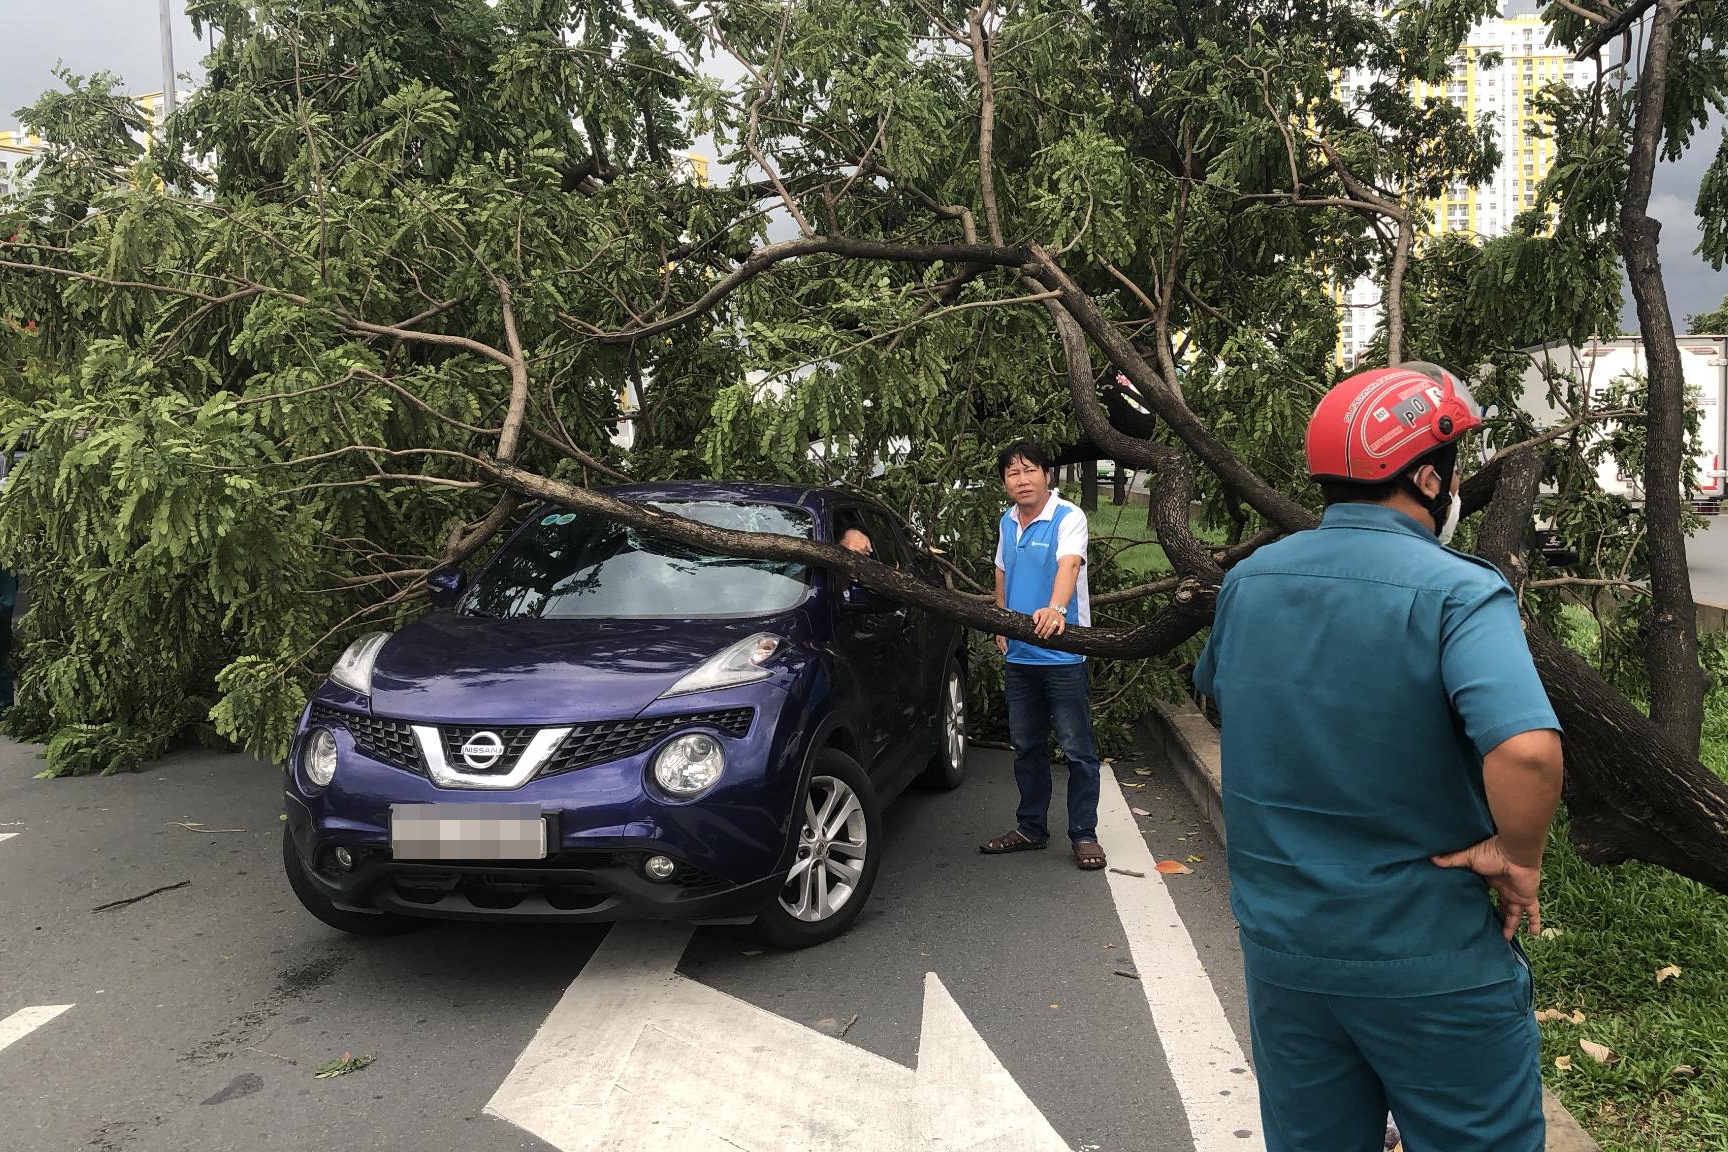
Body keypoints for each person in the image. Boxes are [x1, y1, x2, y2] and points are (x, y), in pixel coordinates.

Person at [1193, 362, 1564, 1152]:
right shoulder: (1461, 592)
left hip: (1286, 957)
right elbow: (1528, 753)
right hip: (1429, 959)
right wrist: (1517, 855)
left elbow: (1221, 696)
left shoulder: (1248, 582)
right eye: (1454, 466)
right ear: (1429, 477)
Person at [979, 440, 1107, 870]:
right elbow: (1001, 569)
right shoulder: (1007, 521)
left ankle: (1084, 834)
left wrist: (1056, 609)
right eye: (1013, 473)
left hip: (1063, 655)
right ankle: (1030, 828)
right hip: (1019, 656)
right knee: (1027, 747)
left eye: (1029, 470)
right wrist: (1001, 620)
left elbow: (1069, 564)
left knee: (1077, 749)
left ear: (1046, 475)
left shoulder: (1068, 516)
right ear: (1004, 483)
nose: (1022, 479)